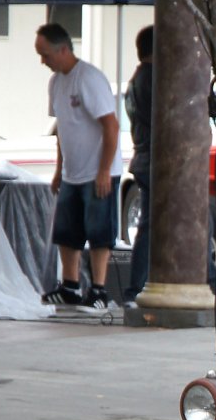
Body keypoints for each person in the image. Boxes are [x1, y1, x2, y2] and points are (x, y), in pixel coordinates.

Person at [34, 21, 121, 308]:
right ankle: (70, 284)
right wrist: (60, 169)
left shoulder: (89, 79)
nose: (43, 61)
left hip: (98, 170)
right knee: (67, 231)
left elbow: (111, 126)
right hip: (72, 171)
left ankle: (98, 288)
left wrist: (105, 169)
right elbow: (63, 129)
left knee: (98, 232)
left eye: (45, 54)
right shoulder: (55, 83)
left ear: (62, 50)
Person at [122, 25, 154, 306]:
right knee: (150, 225)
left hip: (143, 157)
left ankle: (137, 286)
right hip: (153, 159)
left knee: (149, 225)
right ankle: (136, 288)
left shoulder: (137, 79)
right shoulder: (151, 79)